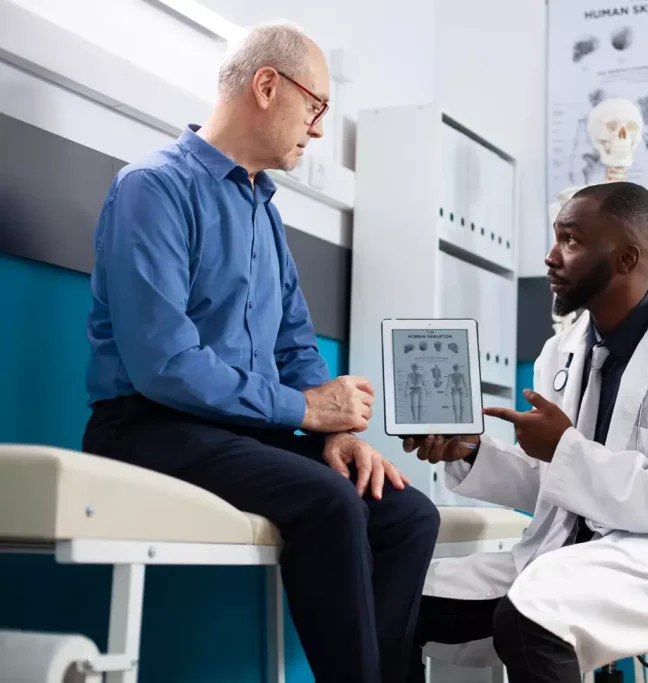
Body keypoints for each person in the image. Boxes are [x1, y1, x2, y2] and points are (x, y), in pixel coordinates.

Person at [81, 23, 439, 683]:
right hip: (145, 425)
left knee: (409, 513)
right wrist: (302, 407)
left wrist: (333, 429)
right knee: (330, 504)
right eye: (316, 106)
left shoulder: (263, 211)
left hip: (238, 432)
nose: (321, 128)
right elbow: (163, 363)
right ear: (267, 86)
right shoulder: (152, 188)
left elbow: (294, 342)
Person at [402, 181, 648, 682]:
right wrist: (471, 451)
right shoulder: (562, 353)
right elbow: (558, 484)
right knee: (399, 599)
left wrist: (565, 448)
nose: (551, 257)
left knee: (532, 617)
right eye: (556, 238)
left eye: (571, 241)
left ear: (626, 259)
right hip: (565, 549)